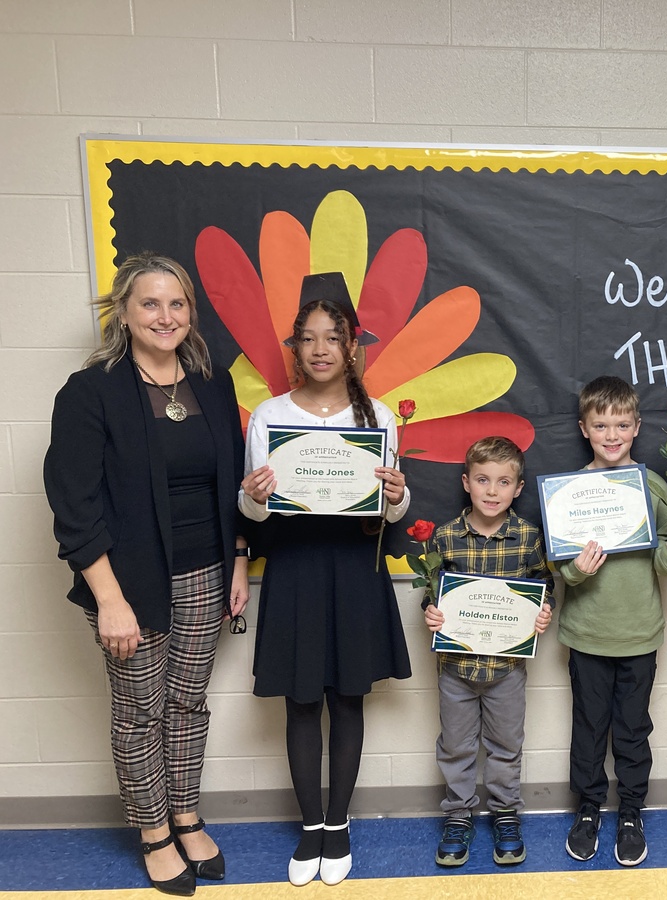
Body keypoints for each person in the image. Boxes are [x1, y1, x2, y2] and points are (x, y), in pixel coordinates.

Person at [44, 253, 250, 897]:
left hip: (209, 571)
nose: (166, 317)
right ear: (124, 314)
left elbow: (234, 483)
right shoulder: (91, 392)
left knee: (188, 705)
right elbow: (73, 504)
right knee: (140, 711)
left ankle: (185, 813)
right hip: (129, 580)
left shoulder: (213, 385)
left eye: (177, 304)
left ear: (192, 314)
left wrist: (240, 558)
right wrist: (109, 599)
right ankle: (153, 830)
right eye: (150, 304)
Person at [239, 272, 413, 887]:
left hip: (353, 569)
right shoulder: (268, 416)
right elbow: (254, 514)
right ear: (295, 347)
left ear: (351, 347)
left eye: (331, 338)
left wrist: (397, 495)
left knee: (347, 697)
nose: (318, 349)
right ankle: (309, 825)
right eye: (307, 339)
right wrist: (253, 497)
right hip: (294, 569)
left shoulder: (381, 417)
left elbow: (388, 513)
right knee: (301, 699)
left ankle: (338, 824)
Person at [558, 376, 667, 867]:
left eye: (621, 425)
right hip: (588, 634)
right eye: (600, 425)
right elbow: (559, 568)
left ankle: (631, 809)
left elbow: (663, 555)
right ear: (584, 429)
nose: (611, 435)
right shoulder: (570, 492)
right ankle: (589, 808)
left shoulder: (653, 485)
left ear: (636, 428)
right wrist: (575, 570)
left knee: (633, 729)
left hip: (639, 633)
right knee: (589, 727)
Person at [423, 436, 556, 868]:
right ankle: (458, 815)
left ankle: (504, 813)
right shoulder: (444, 538)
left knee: (505, 745)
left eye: (503, 482)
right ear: (467, 482)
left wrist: (543, 610)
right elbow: (431, 591)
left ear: (518, 489)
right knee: (457, 745)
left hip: (507, 669)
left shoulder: (528, 537)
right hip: (456, 667)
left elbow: (543, 583)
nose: (492, 491)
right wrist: (431, 612)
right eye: (483, 480)